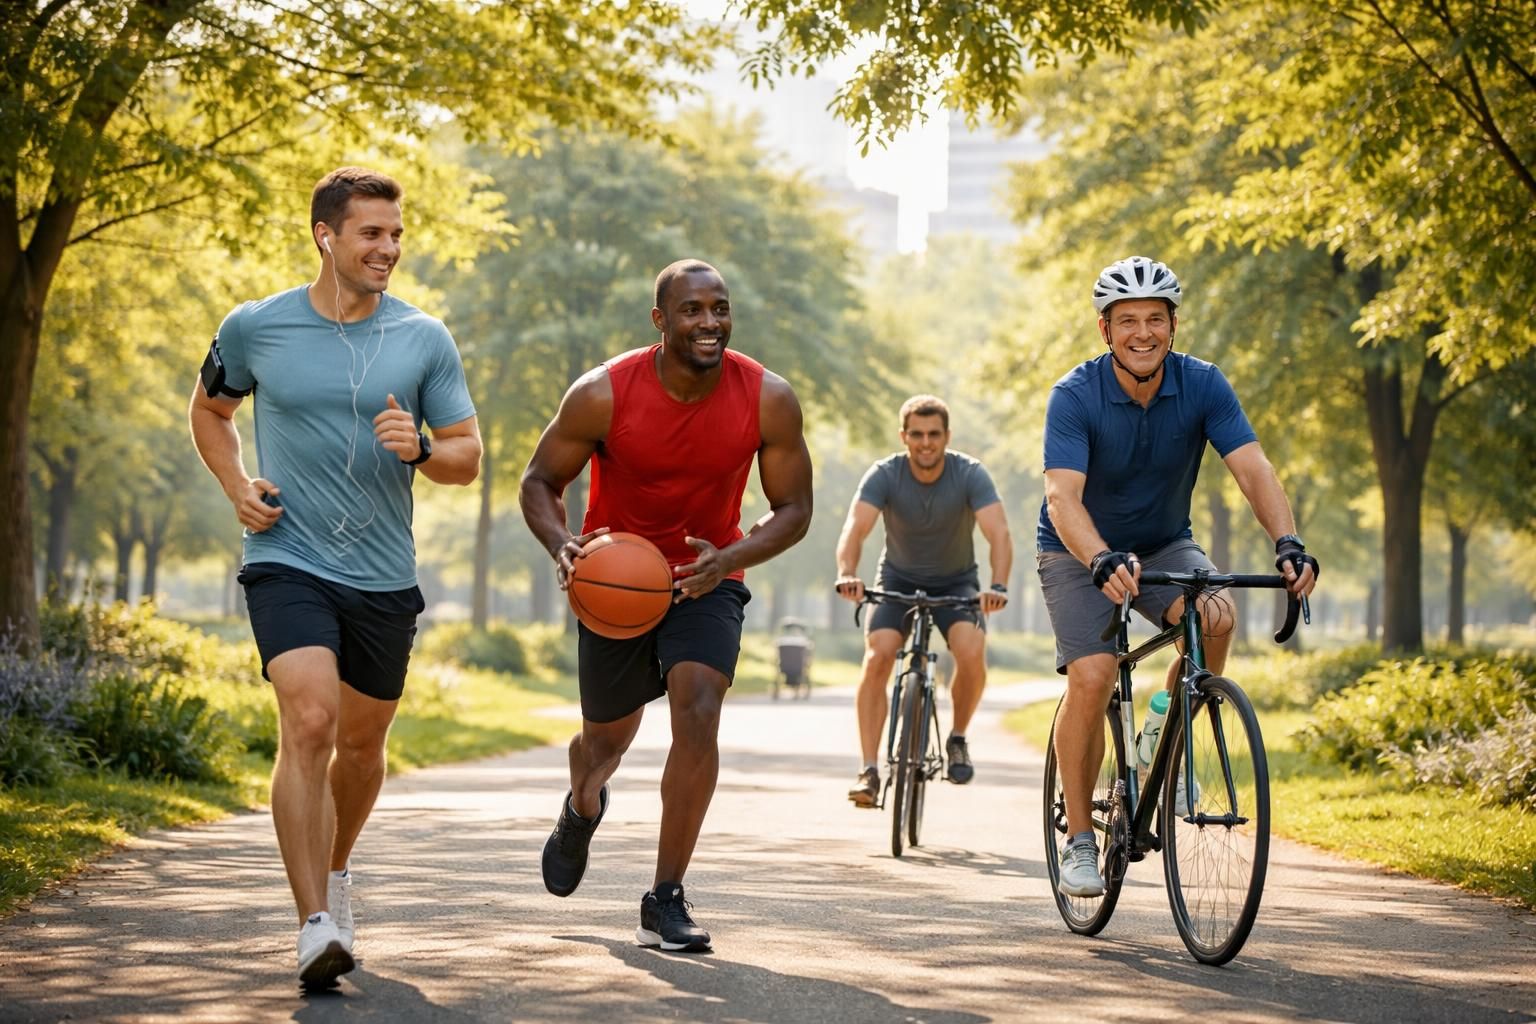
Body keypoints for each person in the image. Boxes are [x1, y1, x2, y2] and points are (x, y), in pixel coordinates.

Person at [189, 167, 481, 988]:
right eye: (371, 233)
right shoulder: (256, 327)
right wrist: (237, 485)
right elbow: (209, 411)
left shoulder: (424, 337)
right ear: (326, 236)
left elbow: (468, 456)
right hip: (286, 556)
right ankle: (314, 923)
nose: (388, 248)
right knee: (311, 721)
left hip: (383, 574)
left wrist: (422, 448)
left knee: (360, 744)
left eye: (395, 234)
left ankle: (338, 867)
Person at [519, 258, 813, 953]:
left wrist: (730, 559)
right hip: (615, 582)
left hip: (707, 576)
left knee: (700, 708)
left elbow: (794, 508)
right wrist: (562, 544)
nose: (710, 322)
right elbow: (539, 481)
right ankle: (582, 805)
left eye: (720, 308)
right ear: (660, 320)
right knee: (603, 745)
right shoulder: (602, 393)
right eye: (692, 310)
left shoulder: (768, 397)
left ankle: (666, 896)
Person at [1038, 255, 1318, 897]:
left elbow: (1253, 467)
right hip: (1078, 549)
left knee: (1216, 615)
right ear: (1106, 329)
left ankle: (1165, 731)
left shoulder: (1203, 384)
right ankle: (1079, 839)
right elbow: (1061, 497)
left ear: (1173, 325)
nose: (1143, 332)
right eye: (1128, 320)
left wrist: (1287, 541)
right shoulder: (1075, 394)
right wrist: (1100, 558)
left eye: (1155, 319)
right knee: (1093, 675)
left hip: (1164, 544)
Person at [835, 395, 1014, 805]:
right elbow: (855, 529)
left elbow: (999, 534)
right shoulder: (885, 474)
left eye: (934, 434)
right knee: (878, 655)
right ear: (904, 436)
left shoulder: (970, 474)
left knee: (971, 649)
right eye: (917, 434)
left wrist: (999, 586)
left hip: (957, 582)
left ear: (947, 436)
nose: (926, 443)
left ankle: (958, 738)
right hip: (897, 579)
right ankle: (868, 769)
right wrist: (847, 573)